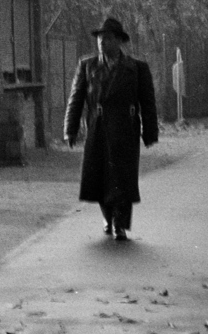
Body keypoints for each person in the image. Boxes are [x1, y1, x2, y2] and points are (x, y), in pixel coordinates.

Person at [64, 15, 159, 241]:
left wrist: (150, 133)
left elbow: (148, 102)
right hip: (98, 128)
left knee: (123, 178)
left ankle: (120, 223)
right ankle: (108, 216)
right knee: (97, 177)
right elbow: (76, 99)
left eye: (106, 38)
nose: (101, 43)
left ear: (118, 41)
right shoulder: (87, 66)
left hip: (125, 130)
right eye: (99, 38)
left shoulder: (136, 69)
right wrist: (70, 128)